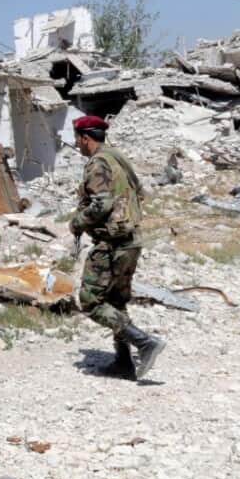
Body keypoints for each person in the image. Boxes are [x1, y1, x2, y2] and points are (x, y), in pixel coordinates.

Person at [70, 115, 166, 379]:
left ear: (85, 138)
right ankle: (123, 362)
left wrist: (77, 222)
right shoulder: (117, 158)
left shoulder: (98, 163)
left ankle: (145, 342)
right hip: (131, 240)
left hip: (112, 244)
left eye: (77, 139)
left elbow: (102, 203)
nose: (76, 143)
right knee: (115, 301)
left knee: (90, 301)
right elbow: (139, 193)